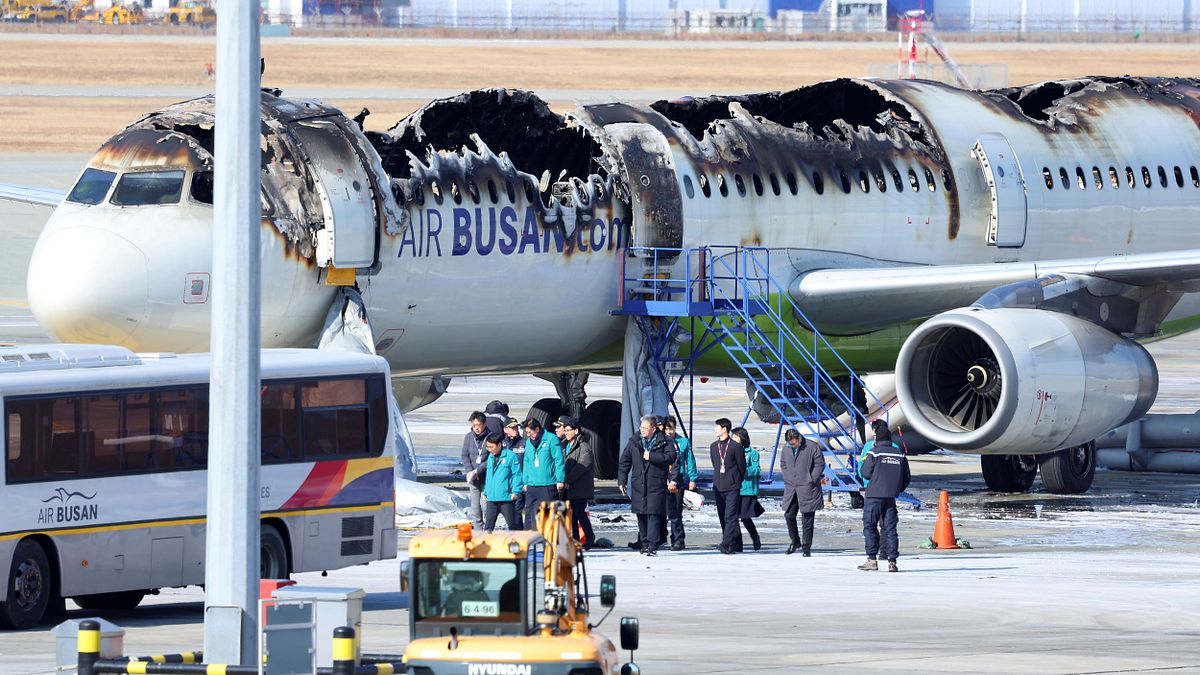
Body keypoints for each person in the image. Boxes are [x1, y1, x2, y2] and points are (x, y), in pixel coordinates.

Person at [617, 415, 677, 556]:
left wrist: (652, 456)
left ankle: (652, 544)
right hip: (639, 483)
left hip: (656, 483)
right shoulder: (635, 441)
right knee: (641, 514)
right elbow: (625, 461)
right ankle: (644, 543)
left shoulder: (665, 441)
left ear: (653, 428)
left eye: (645, 428)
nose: (642, 430)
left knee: (653, 514)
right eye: (641, 427)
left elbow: (671, 457)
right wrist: (622, 480)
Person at [858, 419, 911, 572]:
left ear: (877, 438)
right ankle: (892, 561)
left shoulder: (874, 452)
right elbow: (906, 477)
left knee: (870, 526)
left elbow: (865, 472)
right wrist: (896, 488)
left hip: (874, 495)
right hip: (891, 497)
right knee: (890, 528)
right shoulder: (899, 453)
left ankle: (872, 559)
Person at [780, 428, 825, 556]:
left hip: (808, 488)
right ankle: (795, 541)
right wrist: (787, 477)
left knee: (807, 519)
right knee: (789, 515)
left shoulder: (812, 447)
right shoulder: (786, 448)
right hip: (791, 488)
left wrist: (811, 478)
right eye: (790, 444)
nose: (792, 446)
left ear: (799, 438)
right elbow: (783, 464)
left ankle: (806, 547)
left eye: (794, 443)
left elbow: (819, 464)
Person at [709, 418, 745, 555]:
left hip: (732, 486)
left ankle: (726, 543)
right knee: (723, 516)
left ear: (724, 429)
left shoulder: (735, 447)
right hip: (719, 486)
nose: (715, 429)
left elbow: (742, 467)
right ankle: (731, 542)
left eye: (717, 427)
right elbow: (715, 464)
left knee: (730, 516)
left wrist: (735, 480)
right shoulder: (714, 446)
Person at [522, 418, 565, 529]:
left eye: (530, 432)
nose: (528, 435)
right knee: (529, 514)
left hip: (547, 484)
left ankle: (551, 540)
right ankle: (528, 540)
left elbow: (558, 460)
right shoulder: (528, 442)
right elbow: (526, 462)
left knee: (549, 514)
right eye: (526, 432)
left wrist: (560, 480)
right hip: (532, 484)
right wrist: (525, 481)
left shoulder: (551, 439)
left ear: (537, 429)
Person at [560, 417, 596, 548]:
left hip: (580, 487)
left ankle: (589, 536)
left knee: (579, 513)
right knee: (572, 515)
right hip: (568, 488)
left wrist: (567, 479)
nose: (566, 432)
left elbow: (582, 465)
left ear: (576, 431)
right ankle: (575, 539)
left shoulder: (584, 446)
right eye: (565, 430)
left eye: (568, 430)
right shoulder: (564, 445)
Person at [663, 416, 697, 551]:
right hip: (662, 479)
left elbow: (690, 460)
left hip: (678, 479)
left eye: (670, 428)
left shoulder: (683, 442)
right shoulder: (661, 441)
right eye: (666, 429)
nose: (668, 432)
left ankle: (678, 539)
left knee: (676, 511)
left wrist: (693, 478)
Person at [479, 433, 523, 532]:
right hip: (492, 499)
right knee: (488, 528)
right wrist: (486, 491)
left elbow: (517, 474)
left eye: (491, 447)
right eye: (487, 447)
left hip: (506, 498)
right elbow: (489, 476)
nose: (489, 449)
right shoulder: (490, 457)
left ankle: (517, 545)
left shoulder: (510, 456)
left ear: (499, 445)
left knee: (512, 526)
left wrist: (516, 492)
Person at [731, 427, 762, 552]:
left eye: (736, 437)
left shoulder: (752, 453)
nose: (733, 439)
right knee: (733, 516)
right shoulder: (731, 451)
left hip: (747, 489)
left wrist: (742, 470)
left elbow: (756, 469)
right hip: (734, 487)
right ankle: (738, 543)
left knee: (744, 516)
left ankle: (754, 536)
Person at [461, 411, 489, 528]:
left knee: (485, 506)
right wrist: (469, 470)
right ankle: (478, 533)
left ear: (484, 424)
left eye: (479, 425)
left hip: (486, 478)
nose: (477, 428)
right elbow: (464, 455)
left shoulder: (490, 437)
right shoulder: (468, 437)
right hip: (473, 478)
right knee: (475, 508)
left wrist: (478, 471)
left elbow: (491, 459)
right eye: (474, 426)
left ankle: (488, 531)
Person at [502, 417, 525, 524]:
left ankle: (519, 535)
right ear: (505, 430)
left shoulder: (524, 443)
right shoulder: (501, 445)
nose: (515, 429)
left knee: (517, 512)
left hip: (519, 484)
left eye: (516, 427)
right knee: (508, 513)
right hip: (505, 484)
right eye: (512, 427)